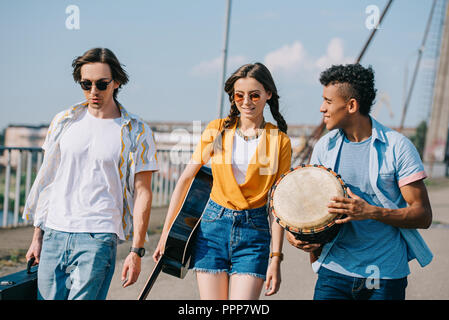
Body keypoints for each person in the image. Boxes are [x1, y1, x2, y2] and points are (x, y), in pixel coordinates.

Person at [287, 63, 433, 300]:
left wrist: (371, 212)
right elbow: (310, 205)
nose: (321, 108)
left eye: (328, 101)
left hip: (384, 275)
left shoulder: (398, 147)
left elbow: (423, 215)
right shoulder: (325, 146)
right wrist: (297, 235)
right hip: (333, 270)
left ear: (352, 105)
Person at [23, 48, 159, 300]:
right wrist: (37, 236)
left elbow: (143, 193)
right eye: (86, 84)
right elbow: (48, 182)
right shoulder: (64, 121)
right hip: (54, 232)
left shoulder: (136, 130)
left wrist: (136, 251)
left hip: (98, 237)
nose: (93, 91)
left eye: (101, 84)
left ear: (116, 82)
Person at [153, 62, 291, 299]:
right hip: (211, 230)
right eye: (240, 95)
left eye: (254, 95)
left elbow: (278, 204)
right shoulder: (217, 130)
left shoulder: (279, 141)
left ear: (268, 94)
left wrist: (275, 258)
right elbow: (185, 180)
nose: (246, 101)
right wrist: (167, 233)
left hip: (254, 233)